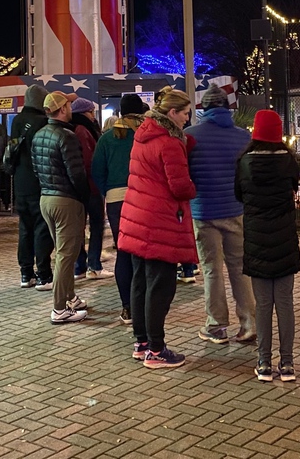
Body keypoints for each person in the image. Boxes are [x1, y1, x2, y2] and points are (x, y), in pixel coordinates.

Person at [118, 86, 197, 369]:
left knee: (139, 282)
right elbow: (178, 186)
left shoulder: (144, 134)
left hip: (136, 216)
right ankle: (156, 349)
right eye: (186, 113)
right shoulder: (169, 142)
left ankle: (141, 343)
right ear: (173, 112)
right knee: (160, 286)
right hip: (159, 220)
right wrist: (193, 188)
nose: (188, 119)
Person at [185, 83, 256, 345]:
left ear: (204, 108)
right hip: (235, 209)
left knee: (212, 270)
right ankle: (250, 323)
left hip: (203, 210)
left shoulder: (190, 135)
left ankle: (216, 326)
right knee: (240, 268)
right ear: (227, 107)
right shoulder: (242, 136)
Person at [236, 109, 300, 383]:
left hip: (256, 237)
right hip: (285, 237)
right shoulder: (289, 160)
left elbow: (238, 195)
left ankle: (263, 363)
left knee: (263, 304)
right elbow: (294, 189)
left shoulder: (244, 162)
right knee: (284, 303)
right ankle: (287, 364)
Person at [32, 91, 90, 324]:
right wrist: (85, 197)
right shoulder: (67, 136)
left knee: (63, 252)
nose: (70, 107)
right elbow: (76, 173)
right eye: (68, 103)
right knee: (68, 255)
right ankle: (59, 308)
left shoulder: (39, 135)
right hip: (66, 200)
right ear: (63, 109)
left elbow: (37, 169)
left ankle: (70, 297)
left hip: (46, 198)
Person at [92, 93, 147, 325]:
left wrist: (109, 191)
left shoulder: (106, 138)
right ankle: (144, 304)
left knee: (123, 252)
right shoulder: (145, 135)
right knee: (143, 253)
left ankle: (127, 308)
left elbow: (96, 171)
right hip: (144, 198)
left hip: (116, 200)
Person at [7, 85, 54, 290]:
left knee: (25, 228)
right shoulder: (42, 122)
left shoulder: (17, 121)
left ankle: (26, 273)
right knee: (42, 228)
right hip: (38, 182)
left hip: (20, 182)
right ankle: (44, 273)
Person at [70, 97, 111, 280]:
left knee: (79, 226)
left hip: (78, 187)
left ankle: (80, 265)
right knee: (95, 224)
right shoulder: (83, 130)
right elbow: (89, 161)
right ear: (85, 113)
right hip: (90, 186)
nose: (94, 115)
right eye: (92, 111)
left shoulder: (73, 128)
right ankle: (92, 265)